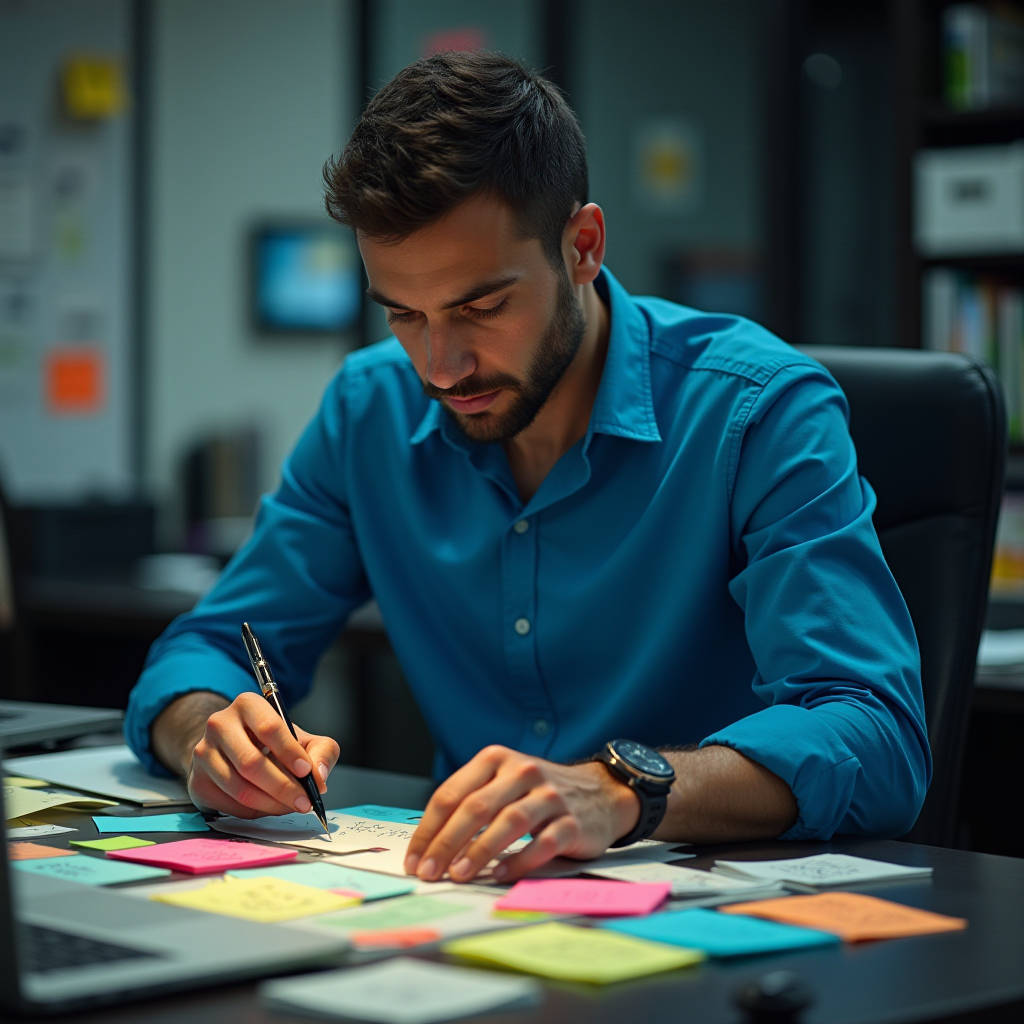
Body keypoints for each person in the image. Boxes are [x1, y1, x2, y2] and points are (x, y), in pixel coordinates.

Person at [126, 52, 930, 885]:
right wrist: (209, 740)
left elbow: (873, 734)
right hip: (461, 905)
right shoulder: (369, 409)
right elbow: (209, 646)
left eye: (481, 307)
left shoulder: (758, 410)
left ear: (581, 248)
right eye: (404, 314)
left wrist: (619, 789)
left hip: (714, 915)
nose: (439, 367)